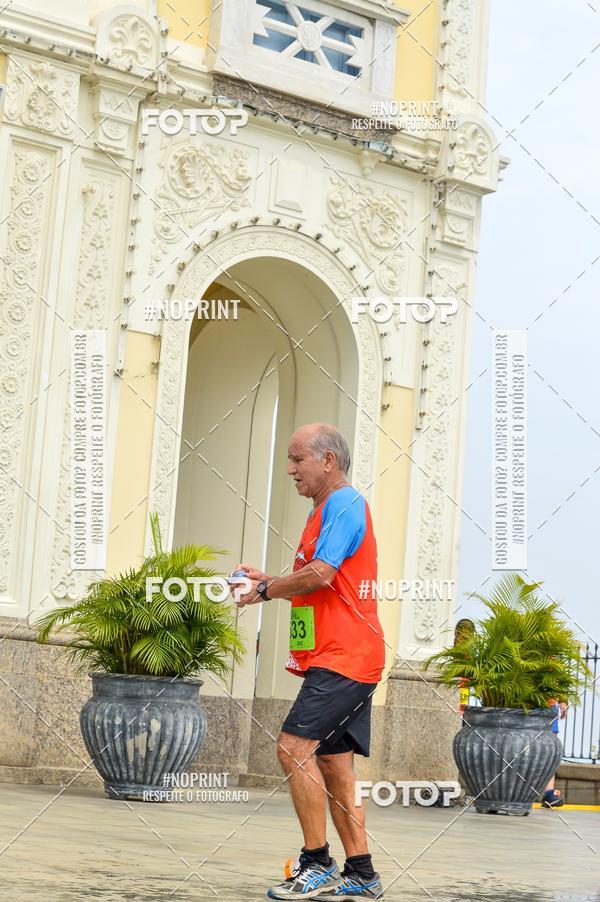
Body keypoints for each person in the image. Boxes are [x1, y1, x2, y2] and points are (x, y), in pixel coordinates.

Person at [232, 423, 386, 900]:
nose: (291, 469)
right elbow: (320, 580)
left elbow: (320, 575)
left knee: (292, 748)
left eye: (299, 459)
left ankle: (316, 862)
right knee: (335, 765)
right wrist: (271, 581)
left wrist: (263, 589)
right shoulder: (327, 509)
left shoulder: (344, 502)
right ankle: (362, 874)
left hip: (346, 658)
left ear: (328, 461)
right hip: (343, 658)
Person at [542, 700, 567, 808]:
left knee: (550, 758)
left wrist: (563, 703)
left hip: (551, 720)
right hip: (530, 712)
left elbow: (560, 690)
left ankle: (549, 794)